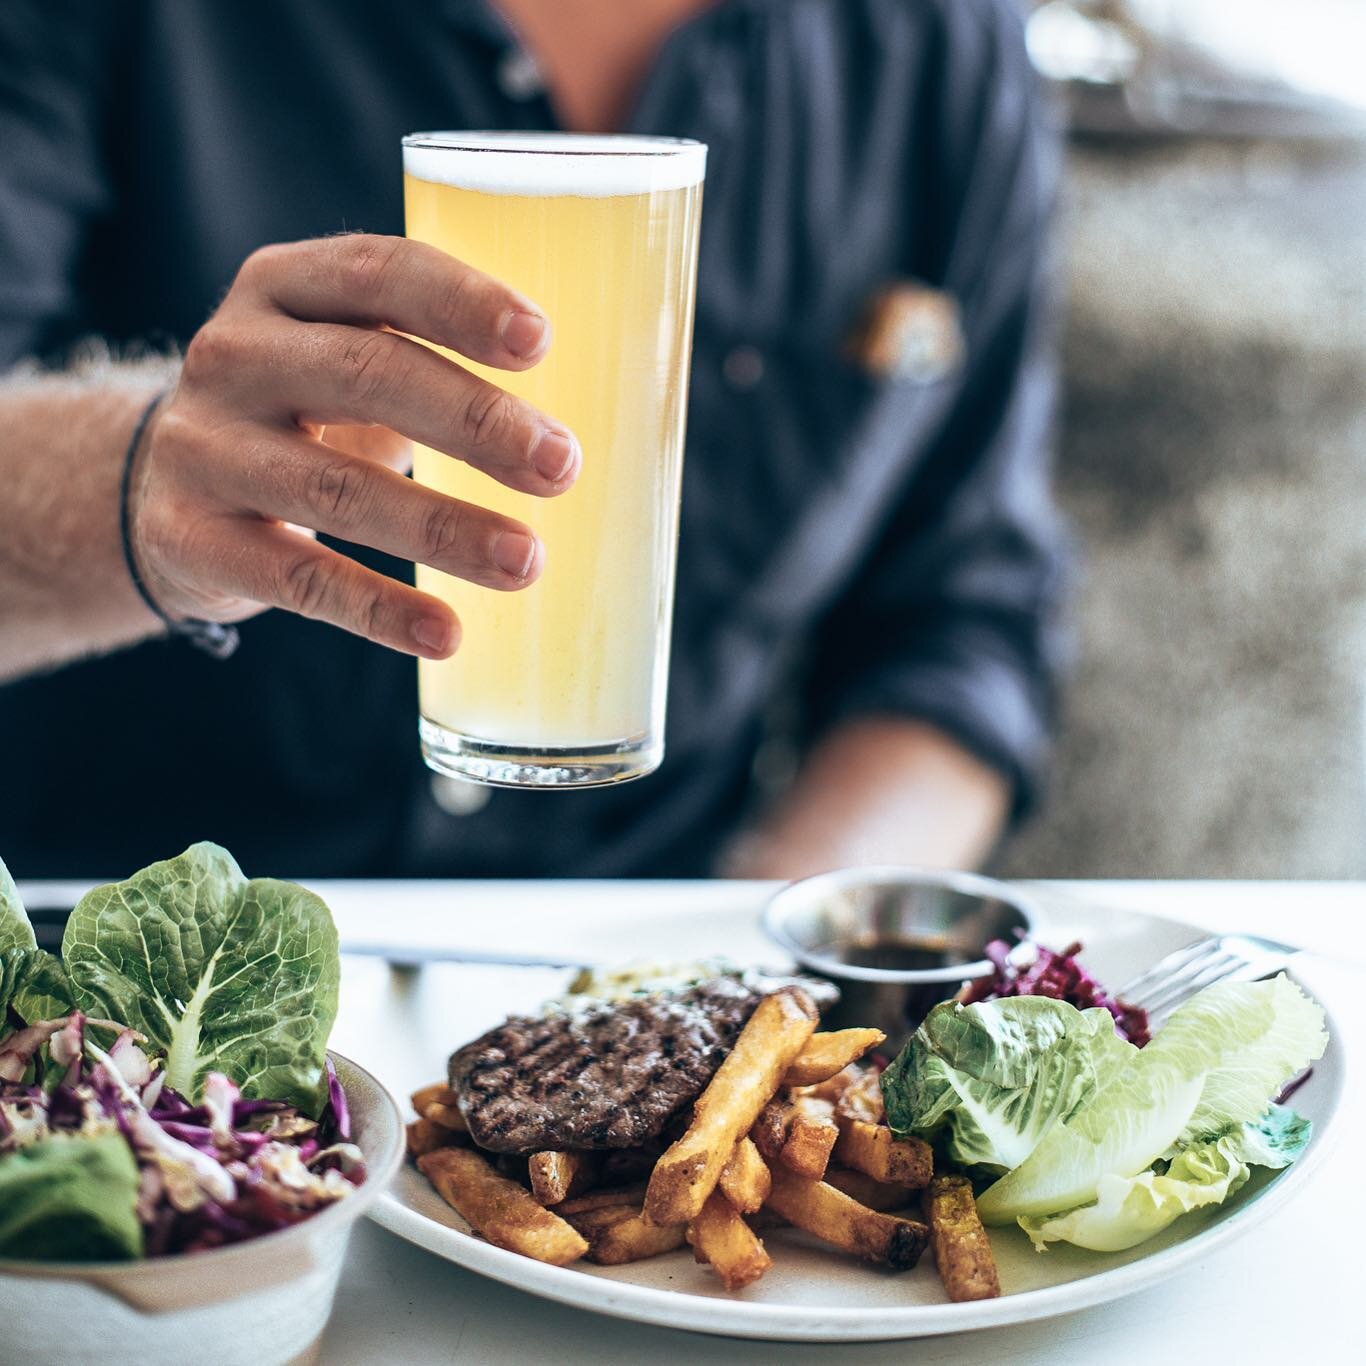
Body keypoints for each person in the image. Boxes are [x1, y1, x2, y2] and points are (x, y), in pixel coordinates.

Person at [0, 0, 1067, 880]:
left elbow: (961, 621)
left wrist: (758, 972)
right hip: (120, 1002)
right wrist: (142, 483)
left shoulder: (943, 51)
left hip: (637, 984)